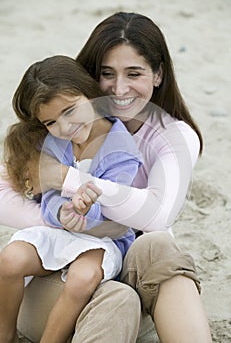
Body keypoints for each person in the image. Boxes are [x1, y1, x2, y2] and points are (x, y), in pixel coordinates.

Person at [0, 12, 213, 343]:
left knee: (159, 244)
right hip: (57, 283)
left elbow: (157, 215)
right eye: (106, 74)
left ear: (158, 75)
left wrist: (67, 179)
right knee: (118, 298)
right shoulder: (56, 119)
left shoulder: (171, 135)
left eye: (134, 73)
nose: (119, 88)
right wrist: (63, 219)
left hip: (121, 260)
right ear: (89, 79)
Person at [0, 54, 142, 343]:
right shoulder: (55, 143)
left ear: (90, 95)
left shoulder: (122, 150)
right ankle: (6, 334)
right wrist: (61, 211)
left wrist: (85, 211)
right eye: (51, 121)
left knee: (81, 279)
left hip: (104, 238)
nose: (65, 127)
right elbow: (49, 193)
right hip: (62, 228)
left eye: (70, 111)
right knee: (10, 259)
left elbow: (117, 210)